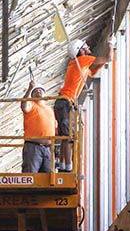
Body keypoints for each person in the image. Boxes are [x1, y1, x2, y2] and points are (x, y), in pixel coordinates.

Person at [54, 41, 109, 171]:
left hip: (65, 102)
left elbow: (93, 72)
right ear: (81, 51)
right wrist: (111, 45)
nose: (89, 47)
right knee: (68, 138)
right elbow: (108, 58)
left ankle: (63, 166)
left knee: (66, 138)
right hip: (65, 102)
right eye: (86, 46)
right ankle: (67, 168)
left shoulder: (80, 65)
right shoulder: (82, 60)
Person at [20, 80, 56, 173]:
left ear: (45, 94)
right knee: (30, 177)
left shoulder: (50, 110)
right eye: (35, 91)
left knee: (48, 180)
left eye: (41, 90)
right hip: (33, 146)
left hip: (48, 148)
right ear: (32, 95)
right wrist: (29, 89)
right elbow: (24, 106)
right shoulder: (31, 105)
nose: (38, 91)